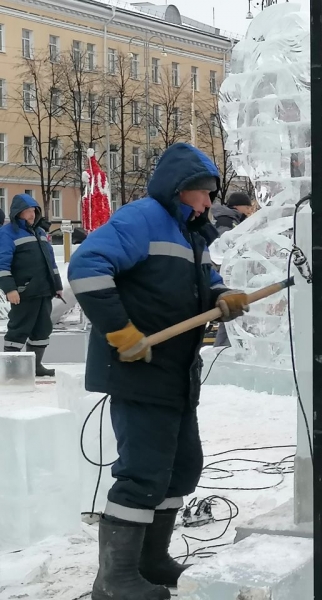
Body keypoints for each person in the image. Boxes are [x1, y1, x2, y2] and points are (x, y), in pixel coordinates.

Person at [68, 143, 250, 600]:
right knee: (144, 472)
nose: (210, 202)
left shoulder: (192, 233)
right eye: (204, 193)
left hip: (176, 371)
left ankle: (151, 559)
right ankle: (115, 580)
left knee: (181, 470)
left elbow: (202, 281)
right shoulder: (141, 219)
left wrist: (221, 296)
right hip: (138, 366)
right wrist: (120, 331)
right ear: (179, 190)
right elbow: (86, 267)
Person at [0, 193, 63, 376]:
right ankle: (10, 369)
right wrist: (10, 289)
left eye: (33, 211)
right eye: (26, 211)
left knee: (43, 329)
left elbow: (51, 262)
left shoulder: (40, 233)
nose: (31, 215)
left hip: (44, 290)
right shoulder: (6, 234)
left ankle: (36, 366)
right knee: (19, 329)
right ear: (17, 213)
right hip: (23, 292)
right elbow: (2, 264)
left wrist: (57, 285)